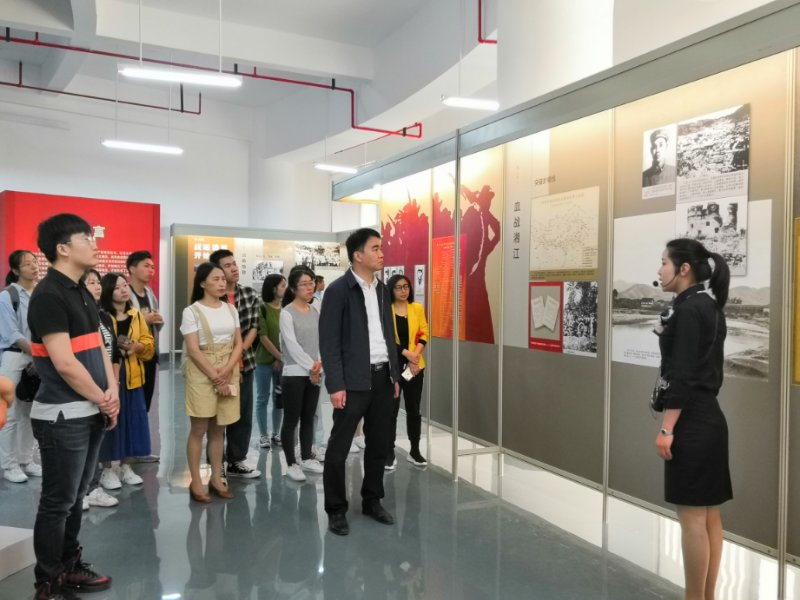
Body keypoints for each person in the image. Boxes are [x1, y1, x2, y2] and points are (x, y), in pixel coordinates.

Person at [27, 213, 118, 599]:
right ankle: (48, 579)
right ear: (63, 248)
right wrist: (102, 398)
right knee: (58, 501)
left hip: (91, 409)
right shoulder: (48, 295)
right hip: (62, 415)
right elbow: (64, 363)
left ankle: (69, 565)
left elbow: (99, 347)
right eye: (87, 238)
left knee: (76, 496)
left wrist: (111, 391)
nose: (94, 245)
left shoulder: (81, 290)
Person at [654, 238, 732, 600]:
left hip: (691, 423)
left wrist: (667, 428)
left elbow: (682, 376)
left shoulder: (687, 310)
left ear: (683, 269)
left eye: (664, 263)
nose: (660, 270)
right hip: (711, 420)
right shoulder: (710, 306)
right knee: (710, 517)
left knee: (692, 521)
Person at [320, 228, 400, 536]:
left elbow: (388, 335)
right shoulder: (338, 290)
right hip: (352, 382)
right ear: (358, 255)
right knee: (339, 448)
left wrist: (394, 374)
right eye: (375, 248)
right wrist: (335, 384)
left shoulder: (382, 290)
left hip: (383, 378)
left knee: (379, 444)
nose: (381, 253)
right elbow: (329, 342)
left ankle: (372, 500)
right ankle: (336, 509)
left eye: (381, 247)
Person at [180, 262, 242, 503]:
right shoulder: (192, 311)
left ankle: (216, 478)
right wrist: (216, 377)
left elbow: (238, 343)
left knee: (219, 428)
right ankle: (196, 481)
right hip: (202, 371)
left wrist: (226, 371)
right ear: (202, 283)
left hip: (227, 367)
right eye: (215, 279)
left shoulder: (230, 309)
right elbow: (193, 350)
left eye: (223, 279)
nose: (221, 283)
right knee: (199, 429)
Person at [96, 273, 154, 490]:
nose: (123, 290)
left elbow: (148, 342)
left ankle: (125, 466)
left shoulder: (135, 314)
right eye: (118, 287)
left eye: (124, 286)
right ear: (108, 291)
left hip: (133, 376)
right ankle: (107, 469)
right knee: (110, 422)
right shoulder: (100, 316)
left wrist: (137, 346)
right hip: (108, 377)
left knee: (132, 421)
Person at [209, 249, 261, 479]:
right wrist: (227, 362)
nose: (234, 268)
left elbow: (254, 328)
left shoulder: (249, 294)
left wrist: (237, 355)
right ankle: (216, 463)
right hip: (218, 368)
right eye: (227, 265)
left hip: (245, 364)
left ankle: (236, 460)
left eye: (234, 264)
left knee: (243, 414)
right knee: (218, 416)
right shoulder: (211, 298)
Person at [279, 268, 324, 481]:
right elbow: (292, 345)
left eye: (311, 283)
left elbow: (321, 341)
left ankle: (306, 457)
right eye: (304, 284)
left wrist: (318, 366)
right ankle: (291, 463)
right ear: (293, 288)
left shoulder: (315, 309)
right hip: (294, 373)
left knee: (308, 417)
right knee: (291, 420)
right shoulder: (286, 313)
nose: (309, 287)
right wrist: (312, 367)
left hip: (315, 372)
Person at [0, 249, 41, 483]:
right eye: (27, 264)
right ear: (16, 270)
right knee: (11, 413)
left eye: (35, 262)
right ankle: (9, 465)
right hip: (15, 357)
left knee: (29, 412)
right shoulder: (7, 296)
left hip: (37, 357)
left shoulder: (40, 292)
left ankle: (26, 460)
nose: (34, 266)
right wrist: (38, 352)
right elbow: (12, 334)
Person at [81, 269, 120, 510]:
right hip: (86, 385)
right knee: (82, 441)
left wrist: (113, 386)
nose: (97, 286)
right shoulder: (78, 315)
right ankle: (81, 491)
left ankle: (92, 487)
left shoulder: (104, 317)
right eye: (91, 282)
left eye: (98, 282)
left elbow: (113, 353)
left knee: (96, 438)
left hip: (105, 385)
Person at [387, 273, 429, 469]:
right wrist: (407, 354)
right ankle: (389, 451)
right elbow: (387, 338)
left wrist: (415, 356)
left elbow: (424, 333)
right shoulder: (386, 310)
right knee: (391, 411)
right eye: (398, 287)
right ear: (391, 290)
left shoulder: (417, 308)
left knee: (414, 410)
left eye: (406, 286)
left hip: (414, 367)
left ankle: (415, 450)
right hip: (394, 367)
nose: (403, 291)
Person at [460, 184, 500, 344]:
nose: (489, 203)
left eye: (489, 200)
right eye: (487, 199)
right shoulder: (472, 213)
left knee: (480, 313)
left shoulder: (485, 214)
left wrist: (487, 250)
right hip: (468, 271)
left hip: (478, 276)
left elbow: (498, 231)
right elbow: (462, 235)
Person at [126, 250, 163, 416]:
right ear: (132, 269)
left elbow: (155, 325)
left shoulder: (149, 293)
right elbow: (119, 324)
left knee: (146, 400)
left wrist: (158, 320)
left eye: (153, 267)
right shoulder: (125, 293)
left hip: (150, 354)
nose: (151, 270)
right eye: (146, 266)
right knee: (132, 401)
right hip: (132, 355)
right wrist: (144, 320)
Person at [254, 273, 286, 449]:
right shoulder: (262, 308)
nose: (285, 288)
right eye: (282, 285)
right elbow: (263, 337)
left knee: (278, 397)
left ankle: (276, 433)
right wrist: (279, 356)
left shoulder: (287, 309)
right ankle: (263, 435)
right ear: (273, 289)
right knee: (262, 398)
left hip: (282, 361)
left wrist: (281, 359)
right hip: (264, 361)